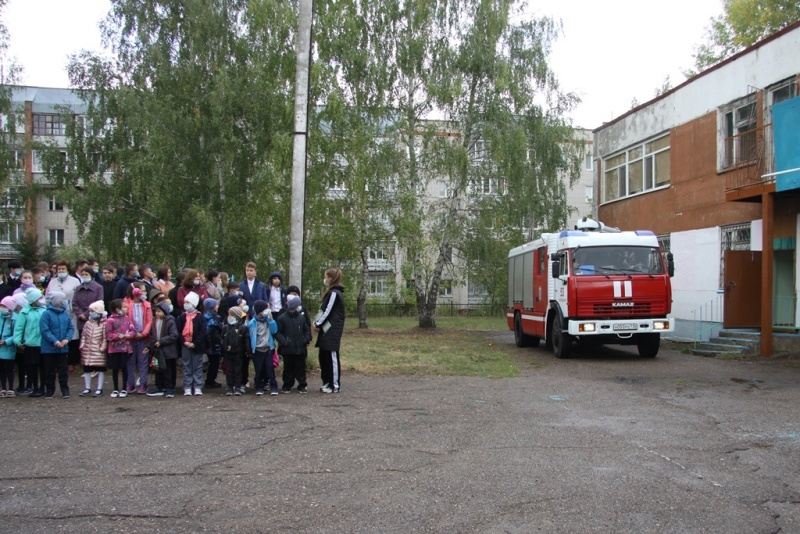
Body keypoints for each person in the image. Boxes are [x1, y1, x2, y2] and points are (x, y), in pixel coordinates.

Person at [314, 268, 345, 394]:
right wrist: (316, 323)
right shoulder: (330, 293)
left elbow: (328, 311)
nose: (324, 279)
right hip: (325, 329)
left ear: (331, 279)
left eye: (326, 277)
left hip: (332, 330)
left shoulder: (335, 293)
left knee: (332, 355)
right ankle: (326, 382)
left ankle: (334, 385)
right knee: (323, 356)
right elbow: (322, 311)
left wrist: (318, 323)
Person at [46, 260, 81, 371]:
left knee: (71, 336)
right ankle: (58, 362)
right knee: (57, 334)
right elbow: (47, 296)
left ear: (67, 270)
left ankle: (71, 362)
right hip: (55, 312)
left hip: (70, 312)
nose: (61, 271)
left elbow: (78, 296)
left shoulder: (75, 281)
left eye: (63, 269)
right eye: (59, 269)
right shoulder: (52, 282)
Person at [39, 291, 74, 399]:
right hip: (49, 348)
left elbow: (70, 328)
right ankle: (50, 390)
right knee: (49, 370)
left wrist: (67, 339)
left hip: (63, 348)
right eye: (62, 299)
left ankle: (65, 389)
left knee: (63, 370)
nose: (65, 301)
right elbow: (45, 330)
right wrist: (54, 341)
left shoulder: (65, 314)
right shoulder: (46, 314)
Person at [14, 288, 47, 397]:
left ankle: (42, 387)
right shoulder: (24, 312)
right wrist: (18, 341)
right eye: (39, 298)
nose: (41, 300)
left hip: (42, 343)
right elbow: (19, 328)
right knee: (31, 367)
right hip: (30, 343)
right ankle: (35, 387)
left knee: (43, 367)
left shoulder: (44, 310)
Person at [276, 295, 311, 393]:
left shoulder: (301, 318)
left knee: (301, 367)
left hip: (300, 347)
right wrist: (284, 342)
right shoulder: (282, 318)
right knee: (288, 368)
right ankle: (287, 384)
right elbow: (277, 333)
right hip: (287, 348)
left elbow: (306, 330)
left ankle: (302, 384)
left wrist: (305, 339)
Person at [145, 301, 179, 398]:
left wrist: (161, 341)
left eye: (159, 311)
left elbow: (174, 335)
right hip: (156, 351)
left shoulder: (170, 321)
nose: (157, 313)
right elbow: (152, 337)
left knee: (168, 370)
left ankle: (169, 389)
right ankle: (159, 387)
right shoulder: (154, 321)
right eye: (156, 311)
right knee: (157, 368)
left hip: (168, 352)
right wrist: (149, 346)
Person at [176, 292, 207, 396]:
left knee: (197, 366)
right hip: (185, 344)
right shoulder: (181, 317)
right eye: (185, 302)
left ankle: (197, 386)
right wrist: (184, 342)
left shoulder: (200, 317)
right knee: (186, 366)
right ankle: (187, 386)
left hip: (196, 345)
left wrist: (195, 343)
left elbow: (203, 332)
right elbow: (178, 332)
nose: (186, 304)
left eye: (188, 302)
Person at [124, 284, 153, 394]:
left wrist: (144, 333)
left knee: (143, 361)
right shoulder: (126, 304)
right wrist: (133, 333)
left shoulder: (147, 305)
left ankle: (143, 383)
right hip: (130, 337)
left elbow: (149, 321)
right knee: (130, 361)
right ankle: (130, 383)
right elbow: (127, 320)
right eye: (143, 291)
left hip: (143, 337)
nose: (145, 293)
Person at [247, 300, 278, 396]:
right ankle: (259, 387)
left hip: (268, 349)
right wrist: (251, 349)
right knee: (259, 369)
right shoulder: (252, 322)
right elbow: (251, 336)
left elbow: (274, 331)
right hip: (257, 350)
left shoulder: (269, 321)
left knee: (270, 369)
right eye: (266, 308)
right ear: (260, 311)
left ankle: (274, 387)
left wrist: (271, 320)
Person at [106, 298, 134, 398]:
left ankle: (124, 388)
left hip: (125, 348)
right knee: (115, 369)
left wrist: (129, 335)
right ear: (118, 309)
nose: (127, 308)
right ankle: (115, 389)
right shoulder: (110, 320)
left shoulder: (127, 318)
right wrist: (118, 336)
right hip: (114, 349)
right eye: (125, 307)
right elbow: (108, 335)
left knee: (124, 368)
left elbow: (132, 330)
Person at [79, 300, 107, 397]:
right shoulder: (87, 323)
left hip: (99, 351)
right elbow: (83, 335)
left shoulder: (104, 324)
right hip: (87, 350)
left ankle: (99, 388)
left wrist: (102, 348)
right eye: (90, 311)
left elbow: (105, 337)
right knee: (87, 369)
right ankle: (87, 387)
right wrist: (82, 345)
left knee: (100, 369)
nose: (90, 313)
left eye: (92, 311)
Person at [221, 305, 248, 396]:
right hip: (228, 354)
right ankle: (229, 386)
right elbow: (222, 340)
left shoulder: (242, 328)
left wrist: (247, 351)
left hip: (238, 353)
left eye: (231, 314)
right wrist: (223, 350)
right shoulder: (225, 328)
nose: (229, 316)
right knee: (229, 370)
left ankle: (238, 386)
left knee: (238, 370)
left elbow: (246, 341)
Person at [73, 266, 104, 338]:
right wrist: (80, 314)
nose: (84, 276)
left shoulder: (98, 287)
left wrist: (87, 314)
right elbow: (74, 303)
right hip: (81, 320)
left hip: (94, 318)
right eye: (82, 275)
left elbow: (99, 302)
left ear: (91, 275)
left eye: (86, 274)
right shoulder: (78, 288)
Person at [203, 298, 223, 390]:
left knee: (211, 362)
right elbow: (221, 329)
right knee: (214, 363)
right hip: (215, 343)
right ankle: (210, 380)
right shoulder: (216, 317)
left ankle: (209, 380)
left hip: (207, 343)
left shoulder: (203, 316)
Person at [0, 296, 18, 397]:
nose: (2, 307)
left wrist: (6, 341)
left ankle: (11, 388)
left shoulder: (14, 318)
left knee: (9, 369)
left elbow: (16, 333)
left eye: (4, 306)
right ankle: (3, 388)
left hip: (8, 348)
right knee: (1, 369)